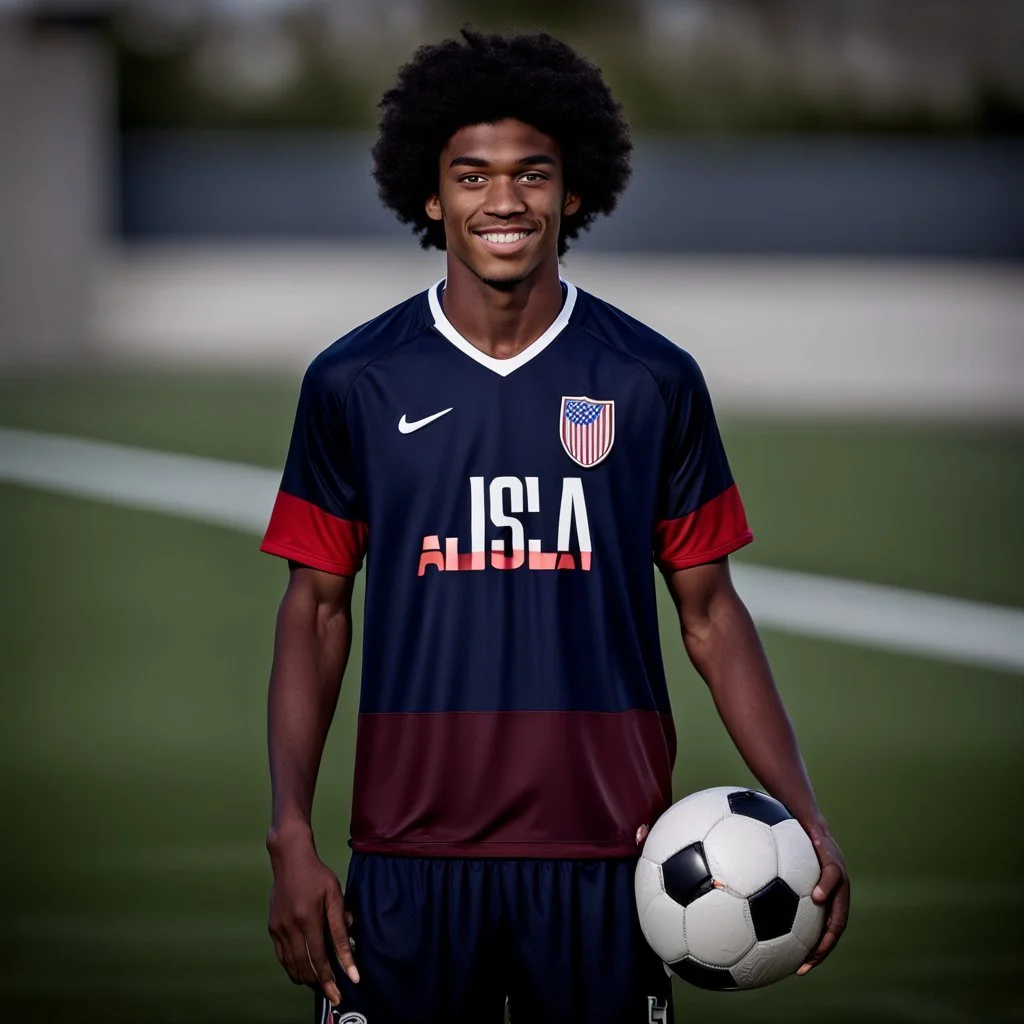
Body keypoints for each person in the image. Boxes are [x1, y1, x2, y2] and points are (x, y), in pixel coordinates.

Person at [260, 26, 849, 1024]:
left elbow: (710, 615)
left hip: (605, 862)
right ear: (430, 194)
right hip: (407, 863)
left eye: (532, 173)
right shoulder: (354, 382)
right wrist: (290, 837)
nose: (503, 200)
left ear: (574, 191)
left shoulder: (648, 379)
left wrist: (804, 809)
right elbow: (314, 611)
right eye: (472, 175)